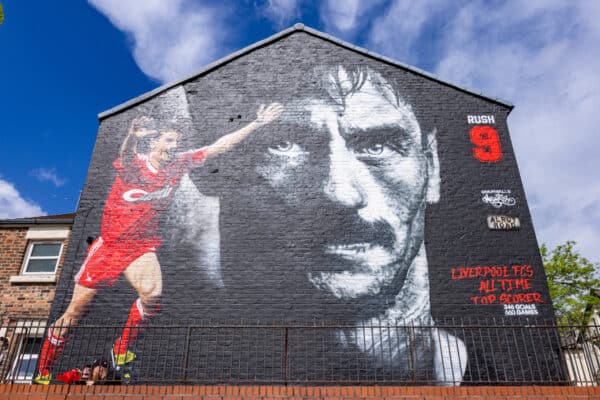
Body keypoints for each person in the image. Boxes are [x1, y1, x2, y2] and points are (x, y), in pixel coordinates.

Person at [201, 65, 466, 384]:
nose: (341, 193)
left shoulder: (502, 374)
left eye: (377, 146)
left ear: (432, 167)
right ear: (221, 172)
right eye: (284, 144)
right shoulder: (190, 368)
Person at [34, 103, 283, 384]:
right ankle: (42, 371)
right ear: (153, 142)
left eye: (177, 141)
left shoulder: (179, 164)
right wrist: (131, 134)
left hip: (141, 246)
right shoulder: (134, 164)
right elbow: (124, 153)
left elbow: (218, 147)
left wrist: (257, 123)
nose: (174, 146)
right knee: (74, 313)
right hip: (110, 247)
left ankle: (121, 347)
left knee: (152, 293)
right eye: (169, 140)